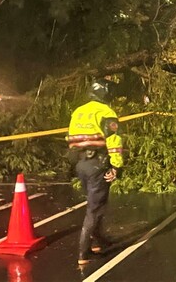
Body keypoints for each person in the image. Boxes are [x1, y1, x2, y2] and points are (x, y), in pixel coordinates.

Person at [67, 78, 124, 265]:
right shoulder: (106, 112)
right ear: (106, 94)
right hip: (97, 164)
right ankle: (83, 253)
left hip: (81, 164)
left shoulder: (78, 111)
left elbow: (71, 138)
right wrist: (116, 166)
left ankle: (100, 241)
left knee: (95, 204)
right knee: (95, 208)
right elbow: (114, 141)